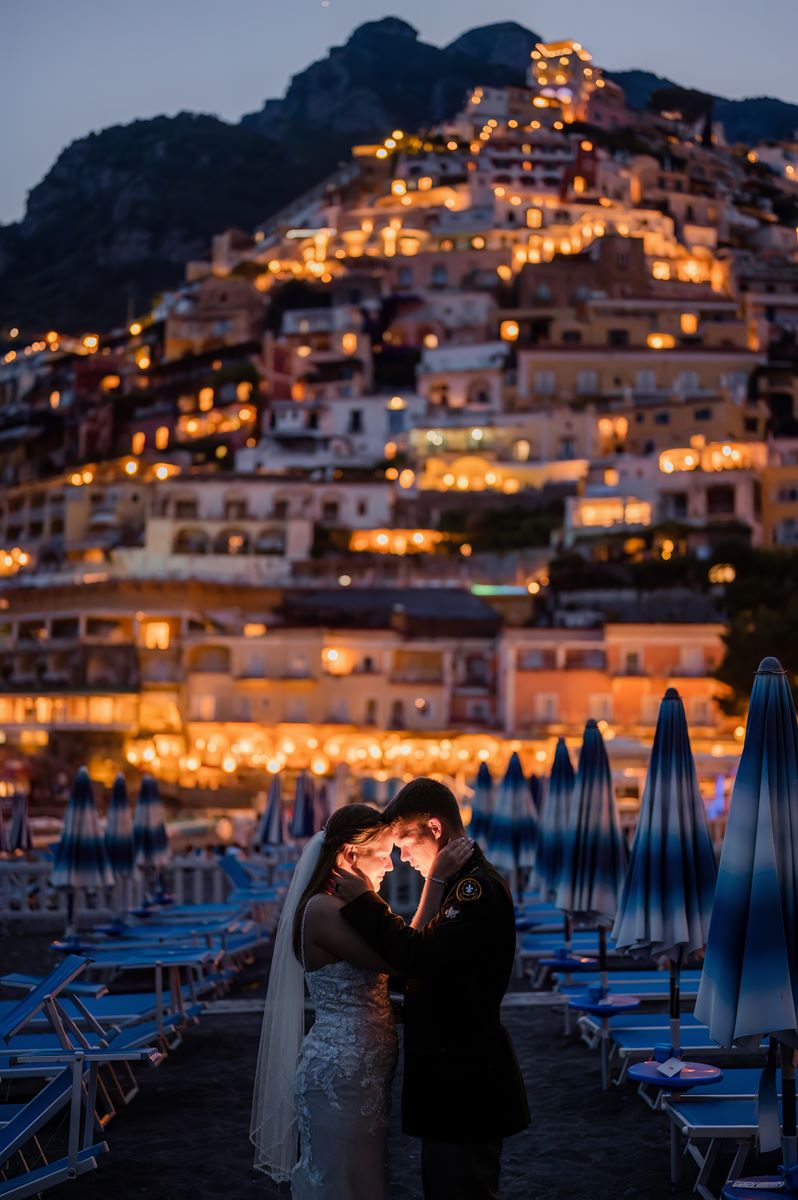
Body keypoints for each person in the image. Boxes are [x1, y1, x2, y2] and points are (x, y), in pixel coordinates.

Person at [250, 803, 473, 1199]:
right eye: (382, 855)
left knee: (367, 1178)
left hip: (364, 1071)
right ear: (350, 855)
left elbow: (374, 984)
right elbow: (399, 959)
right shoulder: (323, 909)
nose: (390, 866)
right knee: (346, 1181)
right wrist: (434, 882)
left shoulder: (351, 907)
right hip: (340, 1071)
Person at [333, 778, 530, 1200]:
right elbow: (418, 969)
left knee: (463, 1189)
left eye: (405, 842)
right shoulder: (457, 883)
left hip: (466, 1078)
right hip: (449, 1077)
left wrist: (364, 903)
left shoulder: (476, 889)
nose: (402, 858)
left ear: (435, 829)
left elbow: (418, 957)